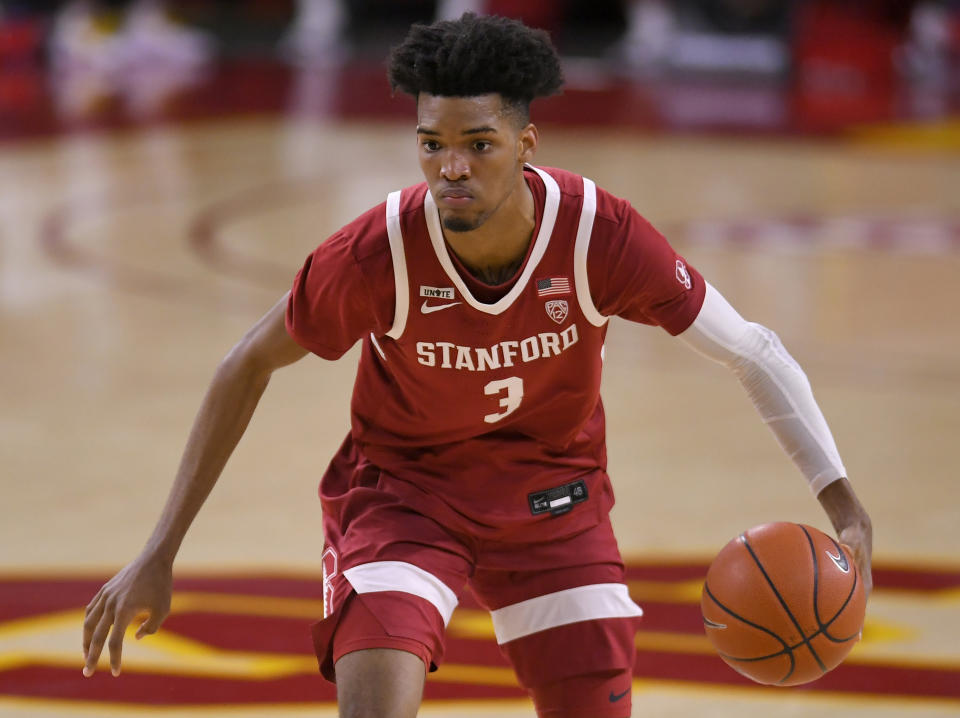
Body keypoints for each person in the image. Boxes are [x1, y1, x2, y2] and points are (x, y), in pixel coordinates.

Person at [81, 12, 873, 718]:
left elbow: (752, 352)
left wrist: (845, 505)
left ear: (526, 145)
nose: (450, 169)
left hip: (555, 501)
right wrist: (159, 550)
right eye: (432, 145)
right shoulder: (375, 253)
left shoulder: (601, 237)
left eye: (477, 145)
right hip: (406, 499)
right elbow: (245, 364)